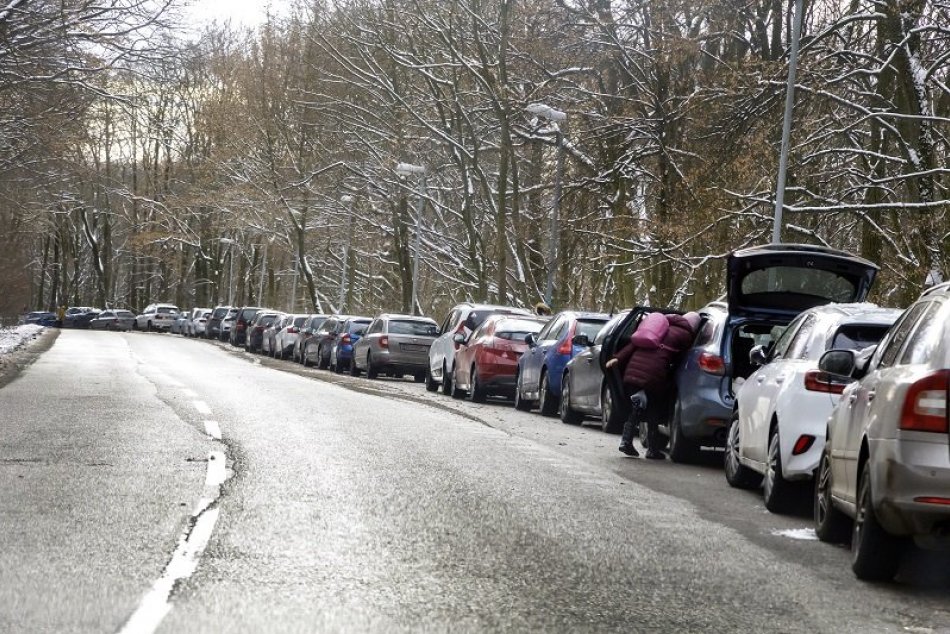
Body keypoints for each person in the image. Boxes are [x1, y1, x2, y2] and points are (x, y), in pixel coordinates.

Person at [606, 311, 700, 459]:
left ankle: (626, 441)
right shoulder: (685, 335)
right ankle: (652, 449)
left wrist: (617, 358)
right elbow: (682, 359)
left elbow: (634, 344)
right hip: (654, 374)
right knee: (653, 411)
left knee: (636, 407)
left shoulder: (661, 327)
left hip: (633, 370)